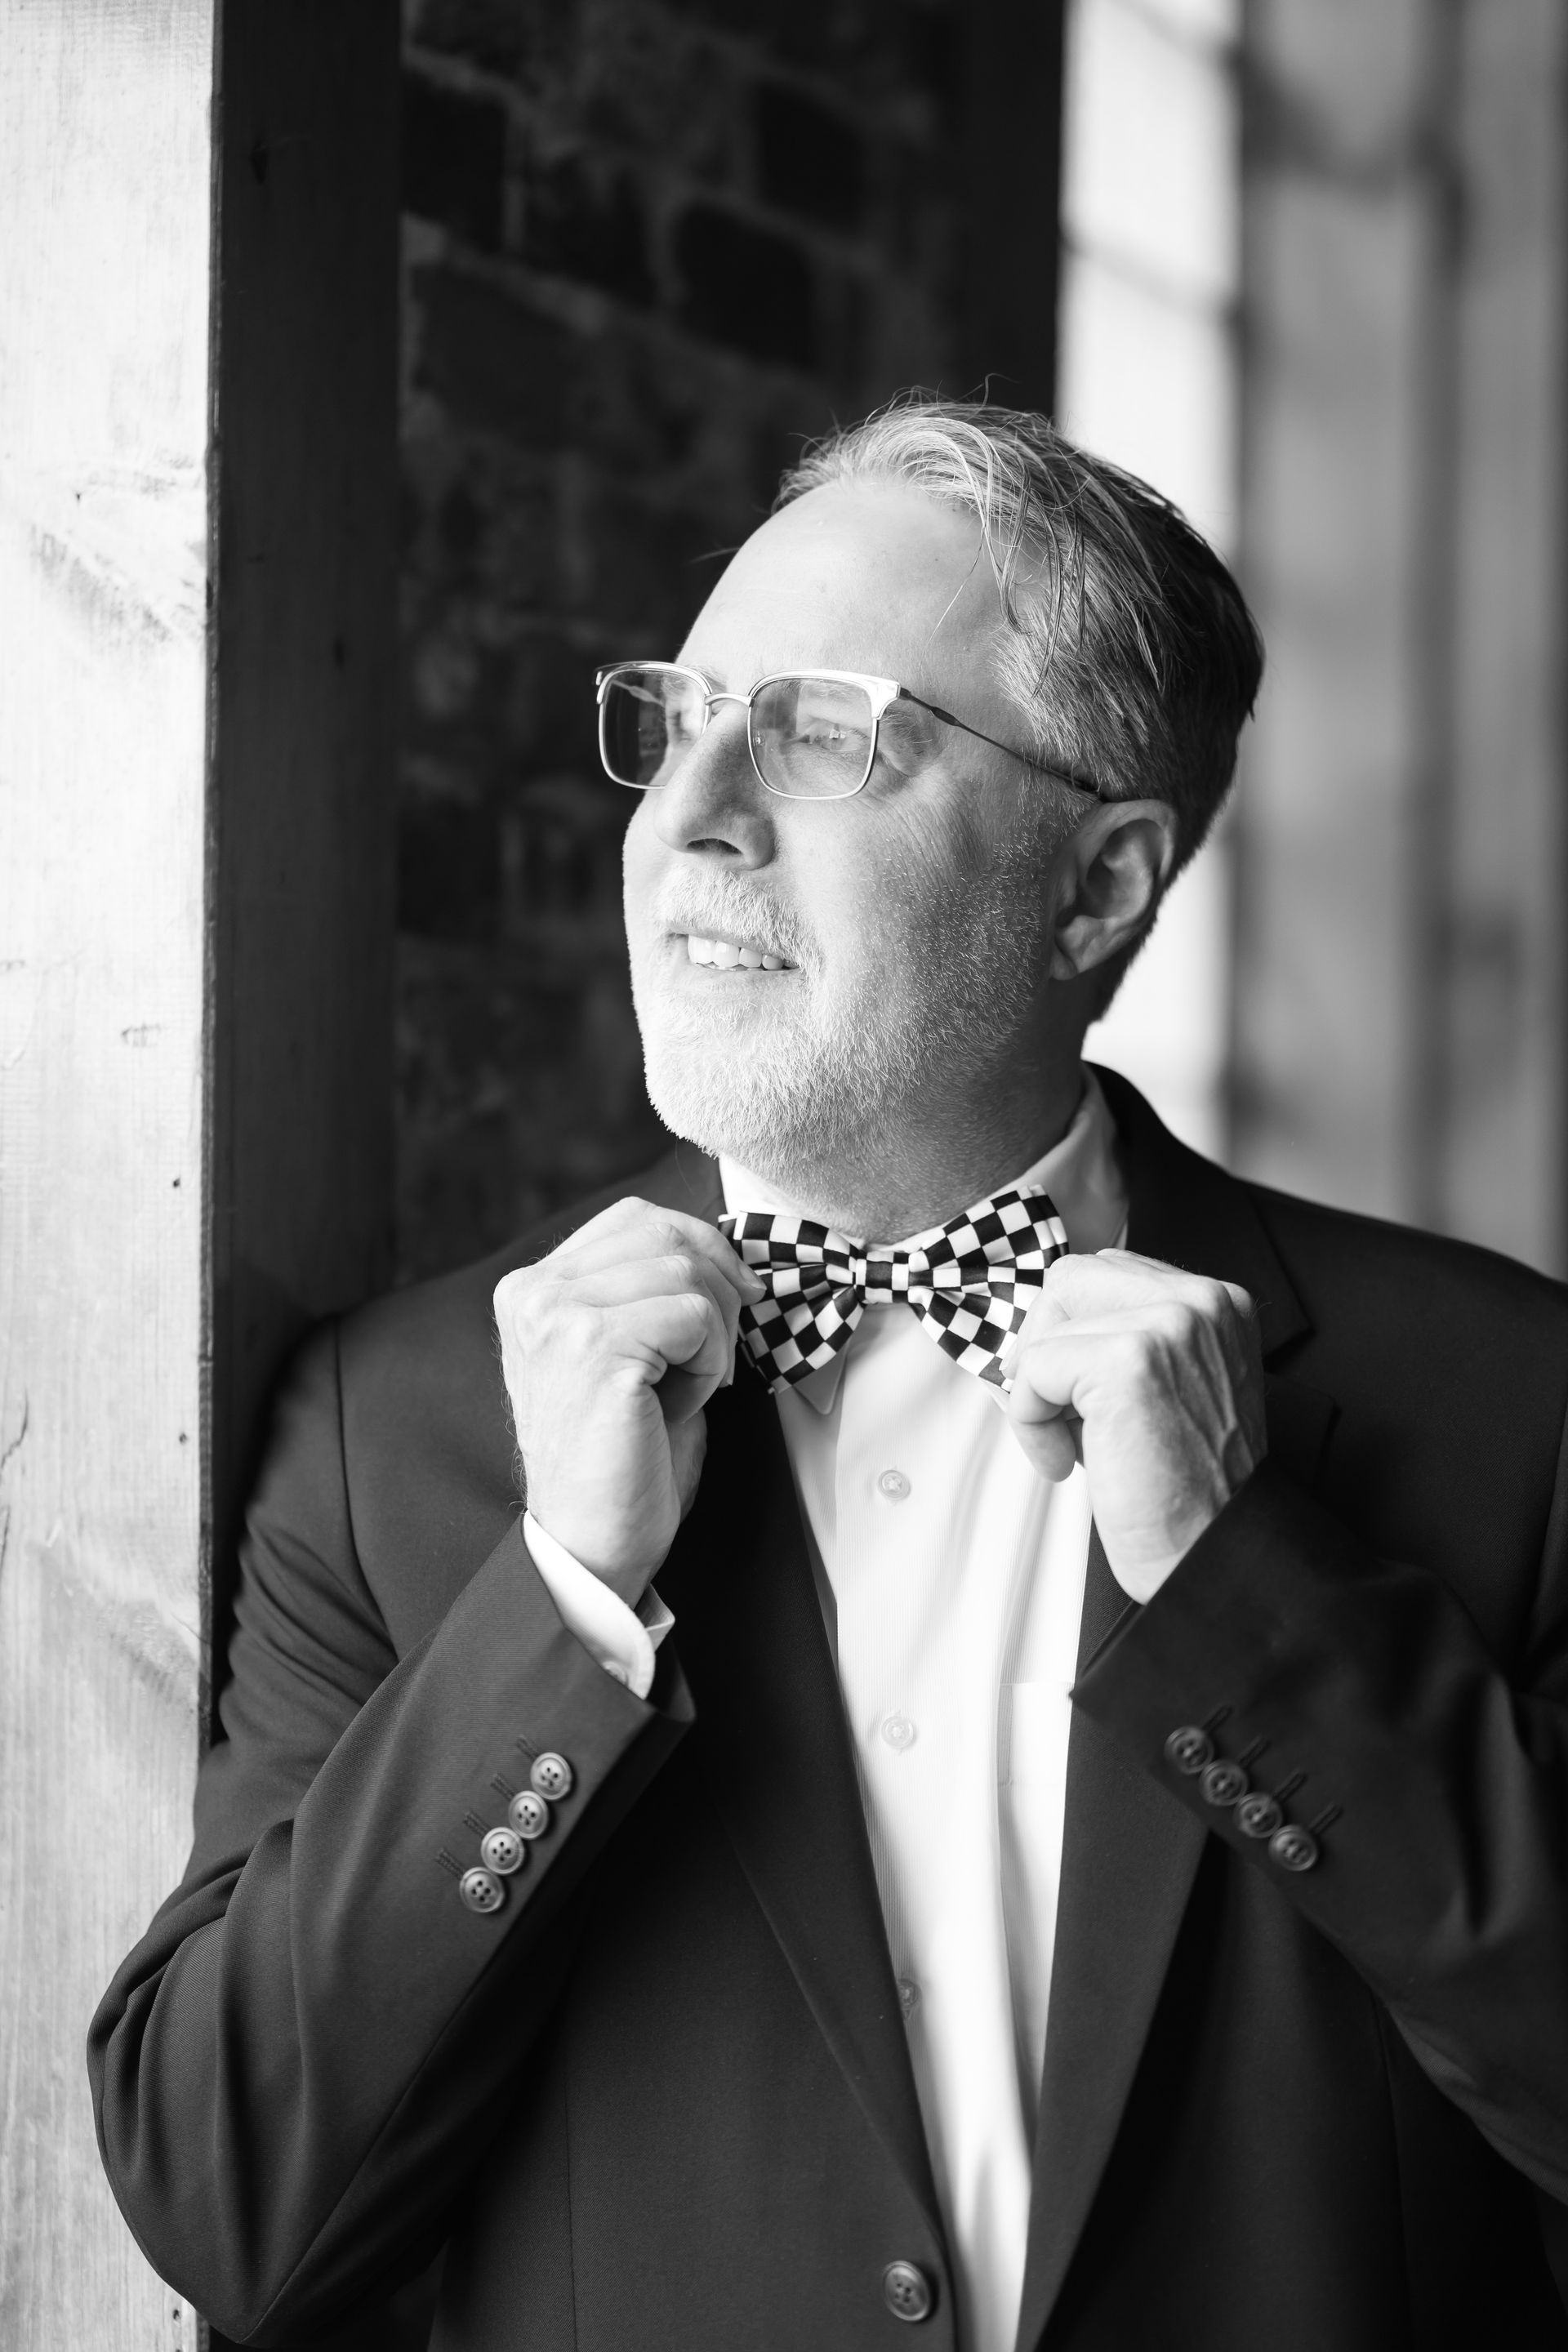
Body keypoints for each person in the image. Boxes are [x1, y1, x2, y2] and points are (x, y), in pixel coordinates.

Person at [91, 397, 1568, 2352]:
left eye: (813, 733)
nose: (688, 810)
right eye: (674, 717)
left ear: (1101, 886)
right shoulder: (392, 1432)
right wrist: (562, 1609)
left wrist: (1248, 1594)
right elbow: (231, 2206)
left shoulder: (1507, 1405)